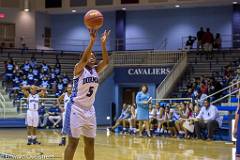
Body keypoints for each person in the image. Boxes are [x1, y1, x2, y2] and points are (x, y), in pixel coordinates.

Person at [63, 29, 110, 160]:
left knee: (90, 143)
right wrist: (92, 41)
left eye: (94, 56)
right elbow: (84, 59)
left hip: (90, 110)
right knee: (73, 142)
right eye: (90, 55)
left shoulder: (95, 70)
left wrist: (103, 44)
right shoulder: (78, 69)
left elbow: (106, 62)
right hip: (76, 109)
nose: (92, 57)